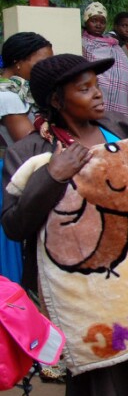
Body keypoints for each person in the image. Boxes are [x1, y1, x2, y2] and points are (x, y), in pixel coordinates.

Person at [2, 53, 128, 396]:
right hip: (88, 293)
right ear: (57, 100)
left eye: (97, 84)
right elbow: (14, 225)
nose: (98, 94)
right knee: (102, 370)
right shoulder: (30, 152)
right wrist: (54, 175)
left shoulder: (118, 128)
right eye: (84, 88)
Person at [0, 32, 52, 284]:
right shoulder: (8, 97)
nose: (46, 69)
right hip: (11, 177)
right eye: (41, 62)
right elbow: (28, 144)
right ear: (19, 62)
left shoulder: (21, 92)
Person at [80, 2, 128, 132]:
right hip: (98, 90)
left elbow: (125, 67)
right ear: (86, 21)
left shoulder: (113, 44)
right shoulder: (82, 42)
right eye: (94, 20)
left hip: (121, 94)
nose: (98, 25)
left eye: (102, 21)